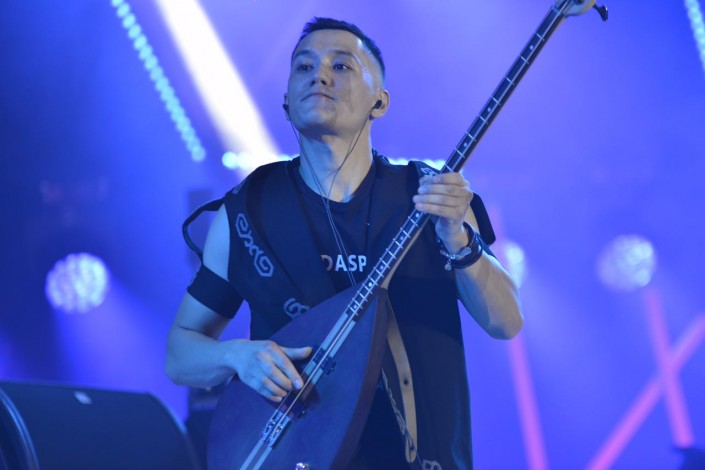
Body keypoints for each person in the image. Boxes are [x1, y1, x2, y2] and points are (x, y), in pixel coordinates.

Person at [166, 17, 523, 469]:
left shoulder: (430, 196)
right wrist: (237, 356)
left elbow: (507, 322)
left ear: (380, 102)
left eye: (342, 66)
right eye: (304, 67)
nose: (319, 76)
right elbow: (180, 355)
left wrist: (456, 236)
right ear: (286, 101)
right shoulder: (248, 210)